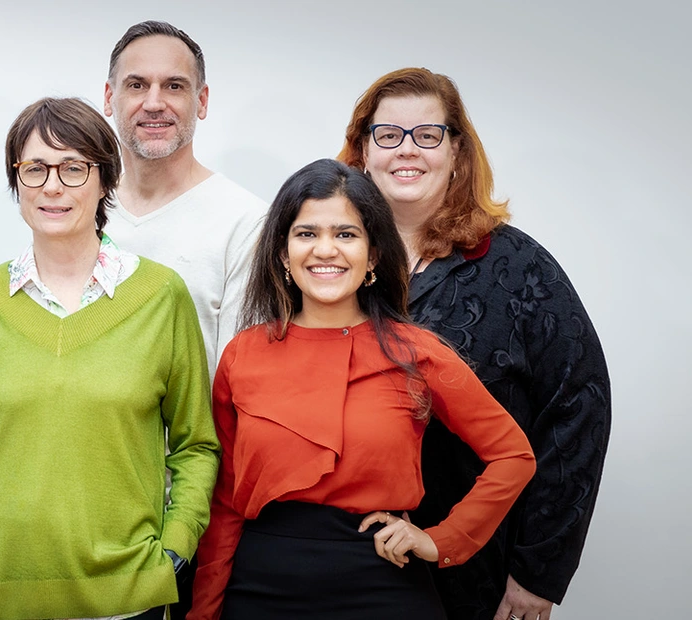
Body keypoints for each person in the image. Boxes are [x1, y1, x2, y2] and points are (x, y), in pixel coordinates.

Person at [188, 158, 536, 620]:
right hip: (260, 587)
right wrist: (203, 611)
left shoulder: (418, 352)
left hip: (383, 585)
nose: (325, 250)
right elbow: (227, 501)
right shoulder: (242, 354)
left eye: (346, 235)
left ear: (373, 255)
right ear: (282, 253)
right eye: (307, 233)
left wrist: (440, 540)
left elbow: (513, 456)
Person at [0, 97, 217, 620]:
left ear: (105, 181)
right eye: (34, 169)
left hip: (124, 600)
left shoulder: (161, 296)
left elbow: (197, 446)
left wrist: (173, 549)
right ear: (18, 183)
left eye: (74, 168)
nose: (52, 186)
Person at [338, 68, 612, 620]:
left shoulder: (517, 268)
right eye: (388, 134)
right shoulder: (329, 261)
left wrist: (538, 574)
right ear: (363, 151)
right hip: (348, 561)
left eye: (428, 134)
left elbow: (580, 412)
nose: (406, 150)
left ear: (457, 153)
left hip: (475, 574)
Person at [101, 20, 266, 371]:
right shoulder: (81, 211)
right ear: (110, 98)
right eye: (137, 85)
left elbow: (238, 379)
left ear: (201, 100)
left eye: (174, 86)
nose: (154, 102)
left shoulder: (245, 222)